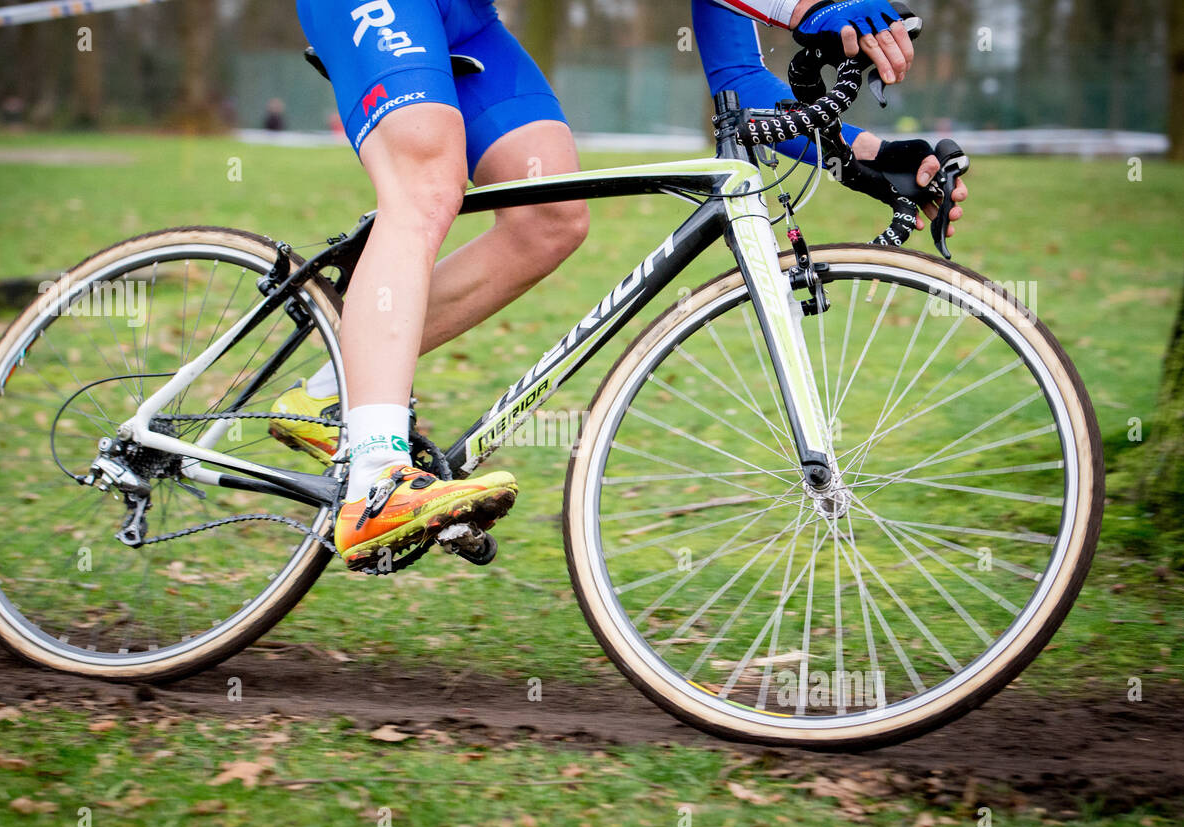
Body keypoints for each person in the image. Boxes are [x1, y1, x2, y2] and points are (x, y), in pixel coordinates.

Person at [273, 0, 968, 571]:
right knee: (427, 179)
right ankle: (372, 481)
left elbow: (744, 89)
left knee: (548, 216)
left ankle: (337, 392)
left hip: (460, 18)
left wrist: (872, 158)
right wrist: (810, 9)